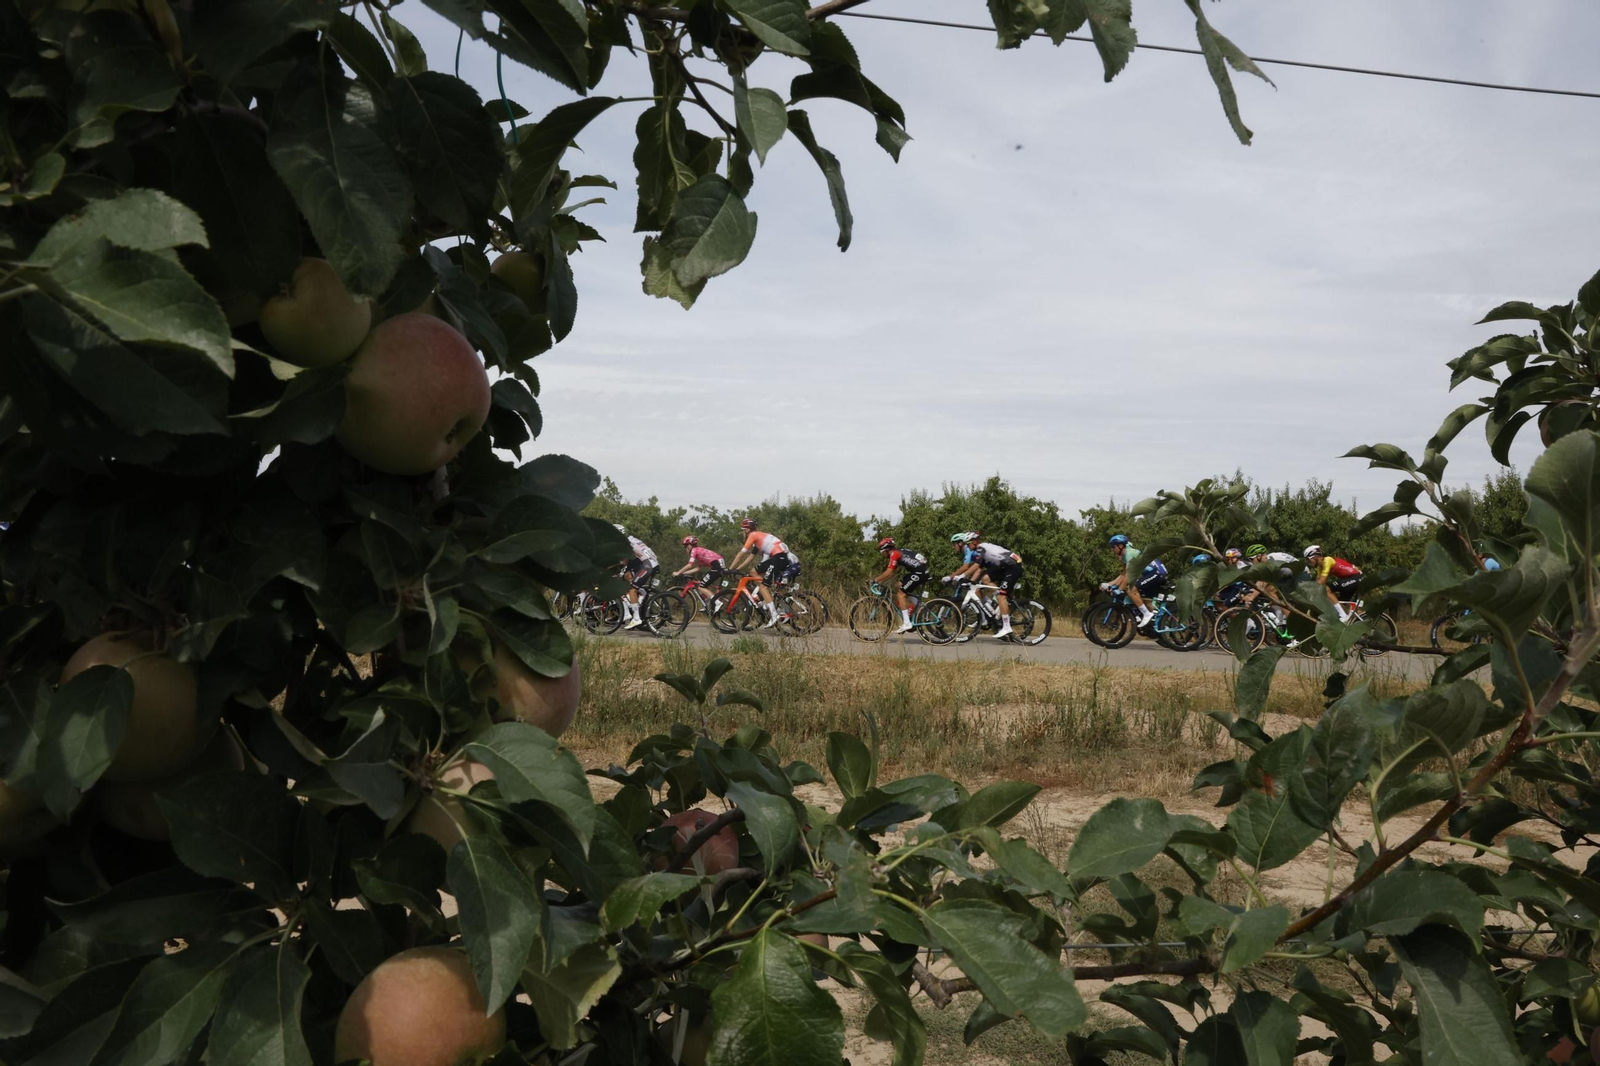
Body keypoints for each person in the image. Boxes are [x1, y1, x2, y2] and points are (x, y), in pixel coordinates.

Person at [945, 532, 1022, 639]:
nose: (967, 546)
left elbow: (975, 565)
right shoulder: (980, 551)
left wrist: (961, 575)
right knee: (985, 579)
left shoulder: (981, 548)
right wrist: (971, 582)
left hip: (1013, 566)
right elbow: (979, 569)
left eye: (969, 544)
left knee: (1001, 596)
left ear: (974, 542)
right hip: (1006, 566)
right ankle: (997, 601)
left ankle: (1007, 626)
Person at [726, 519, 800, 628]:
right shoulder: (758, 538)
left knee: (763, 587)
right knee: (753, 571)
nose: (742, 533)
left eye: (743, 530)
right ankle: (768, 593)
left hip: (779, 557)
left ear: (747, 530)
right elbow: (750, 558)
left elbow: (741, 555)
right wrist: (737, 569)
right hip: (779, 557)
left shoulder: (753, 535)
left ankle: (774, 614)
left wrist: (729, 569)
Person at [1102, 534, 1167, 630]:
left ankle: (1147, 614)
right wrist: (1109, 584)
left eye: (1113, 546)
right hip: (1152, 574)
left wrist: (1119, 589)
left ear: (1120, 546)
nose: (1112, 549)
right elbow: (1123, 575)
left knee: (1131, 590)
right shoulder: (1125, 557)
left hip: (1158, 572)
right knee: (1146, 602)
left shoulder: (1129, 553)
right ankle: (1160, 624)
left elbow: (1129, 574)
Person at [869, 537, 930, 634]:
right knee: (898, 586)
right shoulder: (898, 551)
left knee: (901, 595)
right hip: (920, 570)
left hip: (919, 572)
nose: (882, 554)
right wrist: (881, 580)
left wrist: (875, 580)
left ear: (886, 549)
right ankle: (916, 602)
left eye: (882, 551)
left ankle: (906, 623)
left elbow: (889, 571)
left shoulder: (894, 554)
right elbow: (892, 573)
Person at [615, 524, 659, 630]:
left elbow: (624, 561)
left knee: (632, 590)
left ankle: (636, 618)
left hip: (647, 565)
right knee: (627, 578)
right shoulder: (632, 539)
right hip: (652, 563)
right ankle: (640, 596)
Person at [1303, 545, 1361, 620]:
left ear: (1315, 557)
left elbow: (1321, 582)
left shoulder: (1327, 560)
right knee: (1336, 601)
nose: (1308, 562)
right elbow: (1317, 582)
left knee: (1326, 589)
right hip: (1350, 579)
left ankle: (1343, 616)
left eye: (1308, 559)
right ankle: (1351, 619)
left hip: (1356, 577)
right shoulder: (1319, 567)